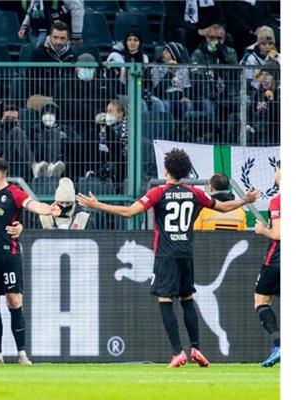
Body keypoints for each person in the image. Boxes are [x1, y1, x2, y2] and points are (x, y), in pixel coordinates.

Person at [77, 148, 259, 368]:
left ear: (167, 169)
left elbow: (129, 212)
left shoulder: (159, 193)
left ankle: (177, 352)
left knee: (165, 301)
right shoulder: (194, 193)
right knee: (187, 299)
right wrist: (244, 200)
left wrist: (98, 205)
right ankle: (196, 348)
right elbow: (222, 207)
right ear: (183, 171)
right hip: (186, 254)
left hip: (165, 255)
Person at [0, 158, 62, 365]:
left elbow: (32, 204)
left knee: (13, 300)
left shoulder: (14, 193)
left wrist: (48, 210)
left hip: (9, 255)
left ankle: (22, 353)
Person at [254, 166, 280, 367]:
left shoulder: (278, 200)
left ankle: (279, 345)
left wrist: (262, 230)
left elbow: (278, 234)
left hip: (277, 259)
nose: (275, 173)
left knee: (261, 301)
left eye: (277, 169)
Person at [150, 41, 193, 120]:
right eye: (164, 50)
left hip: (179, 97)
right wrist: (169, 74)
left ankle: (181, 128)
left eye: (167, 51)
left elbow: (187, 86)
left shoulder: (183, 68)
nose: (163, 53)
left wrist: (186, 96)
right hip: (164, 97)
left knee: (187, 104)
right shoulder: (156, 67)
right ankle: (167, 129)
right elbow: (157, 90)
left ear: (174, 54)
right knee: (166, 104)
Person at [16, 0, 84, 49]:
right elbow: (31, 9)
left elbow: (77, 8)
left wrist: (76, 35)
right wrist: (24, 27)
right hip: (34, 32)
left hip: (54, 32)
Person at [0, 106, 35, 181]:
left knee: (17, 132)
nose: (10, 121)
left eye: (14, 118)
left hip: (19, 163)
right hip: (1, 162)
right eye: (7, 118)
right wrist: (1, 126)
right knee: (16, 131)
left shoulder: (22, 133)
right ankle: (33, 165)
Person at [94, 99, 128, 192]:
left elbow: (121, 148)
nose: (107, 114)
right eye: (106, 111)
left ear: (120, 114)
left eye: (110, 111)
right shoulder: (105, 126)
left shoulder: (126, 127)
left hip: (121, 159)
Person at [246, 67, 280, 146]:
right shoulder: (258, 94)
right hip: (257, 129)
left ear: (274, 77)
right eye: (261, 75)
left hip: (274, 130)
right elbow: (250, 112)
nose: (264, 78)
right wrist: (249, 125)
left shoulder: (278, 93)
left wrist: (271, 103)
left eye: (267, 75)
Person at [239, 26, 280, 91]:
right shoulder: (250, 58)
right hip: (253, 93)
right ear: (259, 45)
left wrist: (274, 62)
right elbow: (246, 80)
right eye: (264, 44)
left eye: (270, 44)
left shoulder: (278, 57)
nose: (267, 47)